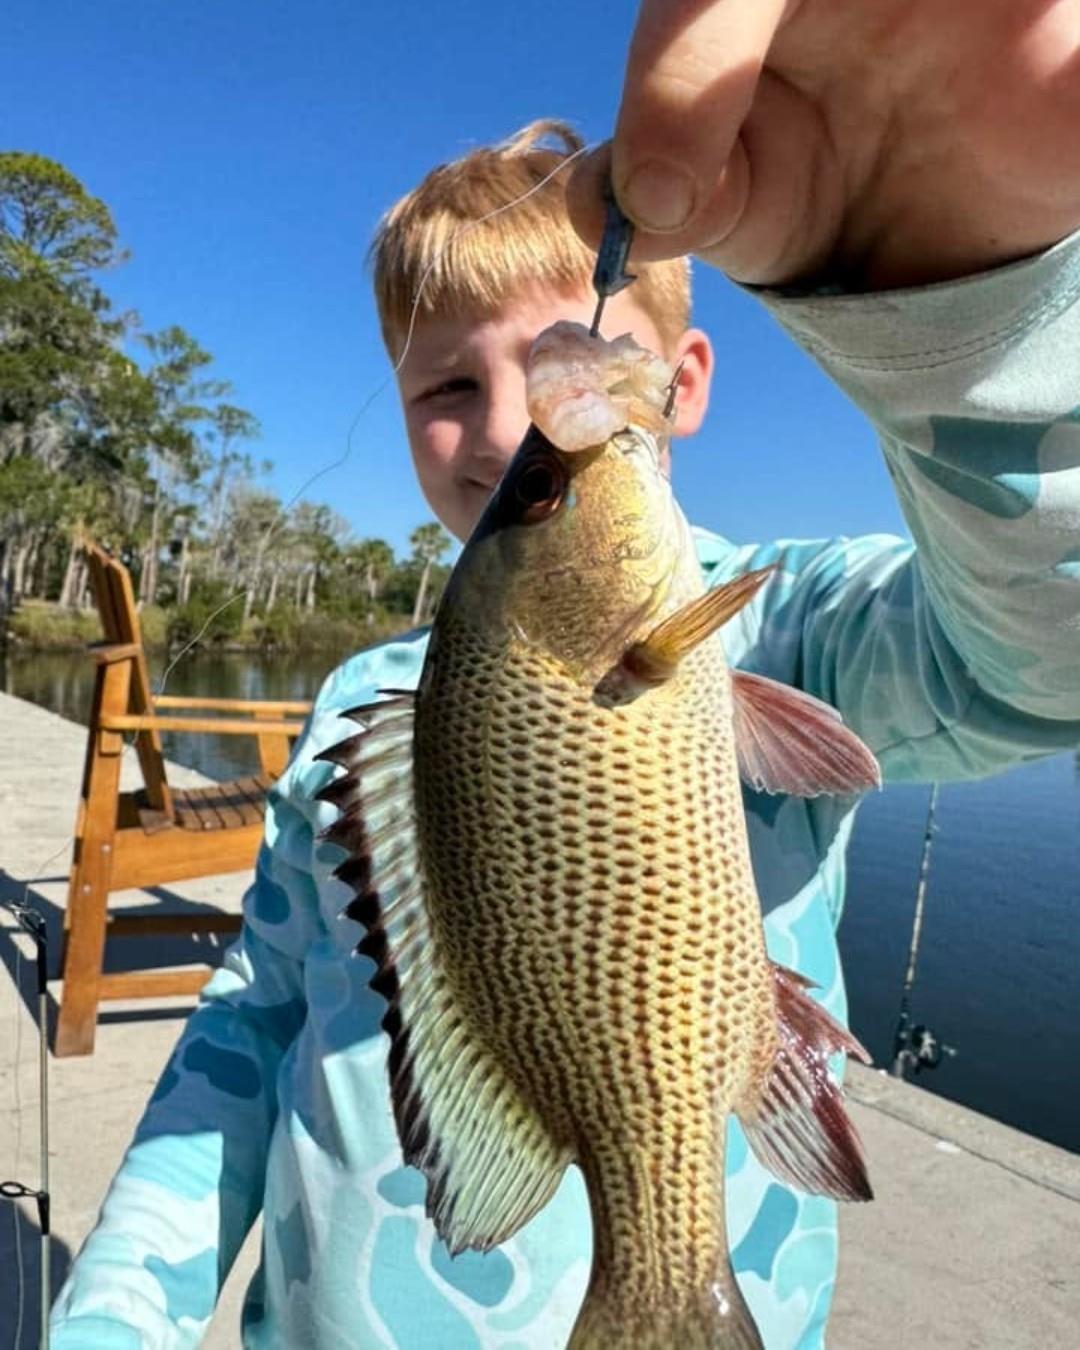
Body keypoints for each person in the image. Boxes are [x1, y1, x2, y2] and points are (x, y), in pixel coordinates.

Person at [52, 5, 1080, 1344]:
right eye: (445, 388)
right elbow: (249, 1027)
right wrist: (117, 1312)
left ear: (684, 384)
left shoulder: (787, 633)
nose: (511, 425)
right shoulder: (364, 708)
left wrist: (965, 283)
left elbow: (1036, 658)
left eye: (571, 366)